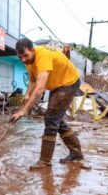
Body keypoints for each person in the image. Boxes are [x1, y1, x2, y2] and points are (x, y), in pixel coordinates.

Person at [9, 38, 83, 170]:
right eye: (20, 57)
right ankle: (76, 153)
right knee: (56, 119)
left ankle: (44, 162)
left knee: (51, 119)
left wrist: (23, 111)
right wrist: (27, 95)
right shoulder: (28, 60)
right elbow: (32, 79)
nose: (23, 60)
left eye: (25, 55)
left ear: (32, 50)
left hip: (69, 83)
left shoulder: (43, 56)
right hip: (57, 86)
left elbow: (39, 90)